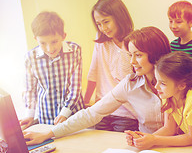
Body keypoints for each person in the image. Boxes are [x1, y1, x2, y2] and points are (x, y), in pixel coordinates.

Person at [23, 27, 171, 145]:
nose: (132, 61)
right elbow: (91, 114)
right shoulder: (130, 83)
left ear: (155, 54)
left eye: (138, 55)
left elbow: (178, 130)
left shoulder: (176, 82)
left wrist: (151, 140)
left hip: (173, 146)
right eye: (130, 55)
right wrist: (50, 133)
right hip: (144, 147)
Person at [125, 51, 192, 149]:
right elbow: (169, 129)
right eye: (157, 81)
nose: (156, 86)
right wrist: (144, 139)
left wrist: (154, 140)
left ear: (182, 85)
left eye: (163, 83)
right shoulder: (168, 96)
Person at [20, 11, 84, 127]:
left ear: (63, 36)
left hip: (74, 116)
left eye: (54, 41)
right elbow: (30, 90)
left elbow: (75, 87)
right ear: (36, 39)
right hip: (47, 120)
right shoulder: (30, 58)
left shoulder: (74, 50)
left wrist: (65, 112)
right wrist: (29, 114)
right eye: (43, 43)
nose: (50, 48)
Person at [84, 0, 138, 132]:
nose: (103, 28)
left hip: (127, 113)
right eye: (99, 24)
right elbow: (93, 72)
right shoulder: (101, 41)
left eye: (106, 22)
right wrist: (85, 102)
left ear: (119, 17)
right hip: (102, 109)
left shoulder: (134, 43)